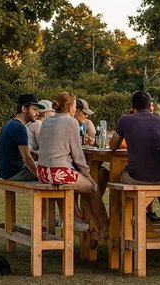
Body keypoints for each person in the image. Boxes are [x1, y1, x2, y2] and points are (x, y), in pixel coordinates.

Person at [37, 91, 109, 237]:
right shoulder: (71, 122)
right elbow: (78, 155)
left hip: (43, 172)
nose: (75, 110)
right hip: (59, 172)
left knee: (84, 184)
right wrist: (88, 175)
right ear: (69, 107)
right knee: (93, 187)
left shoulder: (46, 121)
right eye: (75, 106)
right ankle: (106, 228)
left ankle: (78, 219)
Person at [109, 90, 160, 239]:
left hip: (137, 177)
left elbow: (113, 146)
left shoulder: (126, 119)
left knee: (118, 175)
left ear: (132, 106)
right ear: (150, 106)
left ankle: (126, 218)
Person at [0, 93, 42, 180]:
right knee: (53, 171)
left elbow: (19, 150)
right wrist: (41, 177)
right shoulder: (19, 127)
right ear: (24, 109)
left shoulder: (10, 123)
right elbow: (27, 159)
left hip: (6, 172)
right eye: (34, 110)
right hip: (15, 172)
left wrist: (34, 153)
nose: (38, 113)